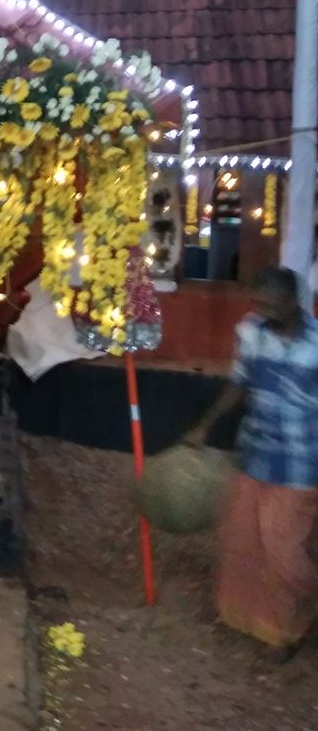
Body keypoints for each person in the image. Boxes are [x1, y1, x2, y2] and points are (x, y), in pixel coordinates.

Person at [186, 266, 318, 650]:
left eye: (271, 303)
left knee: (282, 552)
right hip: (255, 453)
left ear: (293, 301)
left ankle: (294, 620)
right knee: (241, 540)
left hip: (301, 463)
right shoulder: (250, 332)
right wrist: (203, 427)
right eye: (258, 302)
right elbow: (238, 384)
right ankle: (251, 621)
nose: (263, 309)